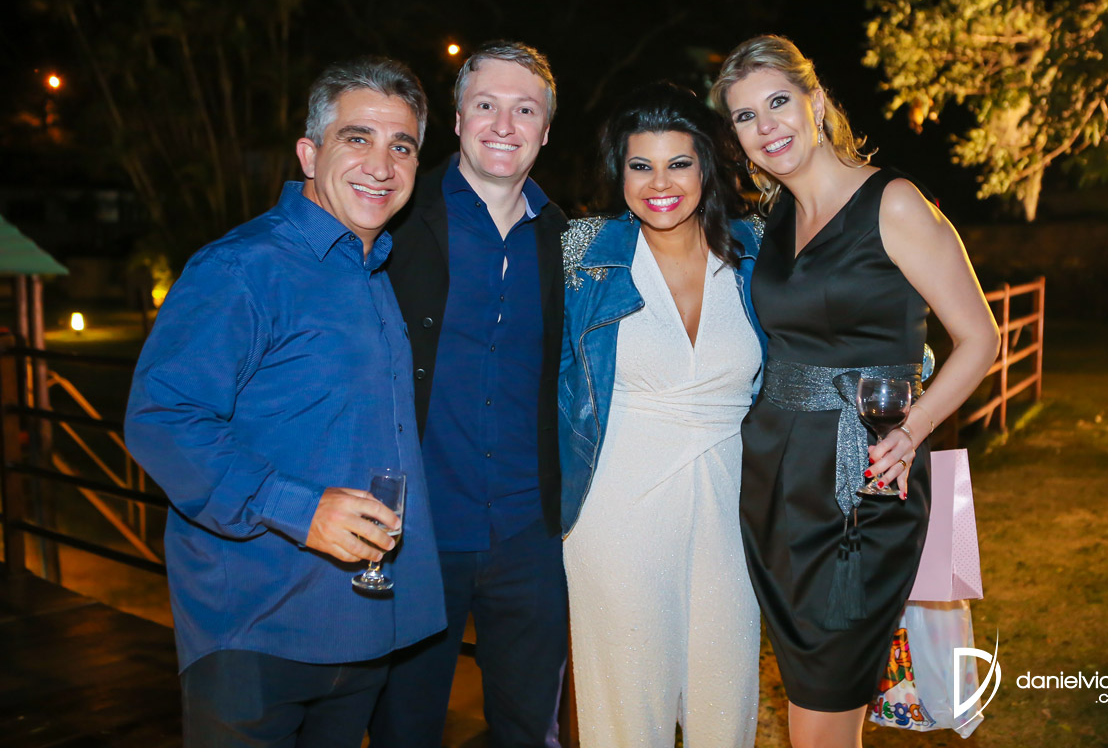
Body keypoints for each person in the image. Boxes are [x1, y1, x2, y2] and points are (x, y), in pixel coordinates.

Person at [124, 57, 446, 747]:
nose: (381, 165)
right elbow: (163, 419)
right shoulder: (243, 267)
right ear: (309, 153)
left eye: (402, 146)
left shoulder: (374, 270)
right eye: (357, 138)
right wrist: (300, 509)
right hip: (255, 628)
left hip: (359, 630)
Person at [710, 35, 1001, 748]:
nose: (766, 126)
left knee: (821, 711)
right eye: (745, 116)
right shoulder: (776, 217)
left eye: (778, 102)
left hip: (862, 489)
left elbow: (980, 338)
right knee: (815, 708)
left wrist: (913, 428)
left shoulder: (892, 203)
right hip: (777, 488)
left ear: (816, 102)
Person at [371, 41, 569, 748]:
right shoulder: (393, 219)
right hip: (416, 536)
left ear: (546, 129)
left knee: (530, 733)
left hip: (532, 538)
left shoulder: (569, 241)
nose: (504, 125)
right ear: (457, 120)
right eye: (486, 105)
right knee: (404, 730)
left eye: (525, 110)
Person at [558, 82, 766, 747]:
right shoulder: (582, 253)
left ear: (707, 166)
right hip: (616, 511)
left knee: (725, 709)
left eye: (679, 163)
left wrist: (904, 375)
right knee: (628, 715)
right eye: (640, 165)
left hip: (734, 510)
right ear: (619, 172)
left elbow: (839, 329)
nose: (660, 184)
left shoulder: (759, 250)